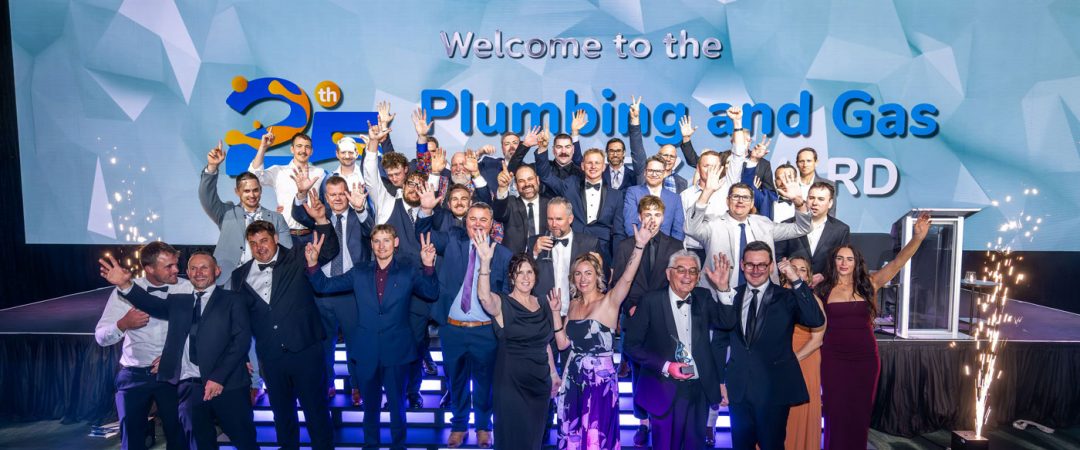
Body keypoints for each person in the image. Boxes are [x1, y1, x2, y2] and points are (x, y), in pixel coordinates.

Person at [101, 251, 257, 450]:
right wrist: (125, 285)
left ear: (217, 271)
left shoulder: (234, 299)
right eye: (193, 268)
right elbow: (151, 303)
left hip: (229, 384)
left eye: (204, 268)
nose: (198, 272)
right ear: (188, 273)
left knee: (244, 441)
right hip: (191, 387)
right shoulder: (179, 301)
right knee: (199, 444)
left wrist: (218, 378)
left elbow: (240, 341)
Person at [306, 225, 440, 450]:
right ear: (371, 244)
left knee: (397, 408)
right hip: (366, 352)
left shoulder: (407, 271)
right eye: (377, 241)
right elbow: (324, 286)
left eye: (386, 240)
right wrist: (312, 264)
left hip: (397, 352)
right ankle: (370, 446)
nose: (381, 245)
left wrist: (428, 265)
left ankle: (399, 447)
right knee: (370, 409)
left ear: (395, 243)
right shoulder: (359, 271)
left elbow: (431, 292)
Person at [816, 213, 931, 450]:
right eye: (840, 258)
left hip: (865, 359)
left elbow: (898, 262)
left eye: (849, 259)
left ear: (856, 263)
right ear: (833, 261)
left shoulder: (870, 283)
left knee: (859, 414)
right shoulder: (823, 288)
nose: (844, 263)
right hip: (834, 358)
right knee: (835, 412)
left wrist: (918, 238)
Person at [229, 210, 339, 450]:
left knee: (317, 412)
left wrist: (321, 221)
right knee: (282, 416)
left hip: (306, 352)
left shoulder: (298, 256)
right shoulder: (239, 276)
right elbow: (239, 321)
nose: (259, 247)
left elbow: (329, 250)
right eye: (253, 243)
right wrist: (240, 356)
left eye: (264, 240)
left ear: (276, 239)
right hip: (271, 358)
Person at [704, 242, 826, 450]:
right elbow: (719, 341)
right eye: (750, 264)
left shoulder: (787, 297)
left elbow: (815, 320)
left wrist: (796, 280)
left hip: (774, 390)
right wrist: (720, 382)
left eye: (762, 265)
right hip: (739, 390)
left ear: (771, 267)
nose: (756, 270)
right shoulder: (731, 296)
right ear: (742, 265)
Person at [415, 188, 513, 448]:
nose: (477, 224)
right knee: (455, 381)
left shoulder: (503, 255)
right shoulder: (452, 241)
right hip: (453, 330)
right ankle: (458, 425)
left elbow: (506, 295)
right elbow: (423, 235)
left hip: (485, 331)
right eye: (473, 219)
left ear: (491, 224)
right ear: (465, 222)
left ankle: (483, 427)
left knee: (485, 383)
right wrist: (425, 210)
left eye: (483, 220)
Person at [199, 142, 289, 403]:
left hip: (265, 285)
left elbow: (286, 251)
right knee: (239, 334)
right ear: (237, 191)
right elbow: (206, 196)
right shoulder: (227, 213)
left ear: (261, 190)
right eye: (246, 190)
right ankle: (253, 383)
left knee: (266, 333)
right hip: (231, 284)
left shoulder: (275, 218)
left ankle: (274, 380)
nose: (252, 194)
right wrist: (212, 167)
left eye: (256, 189)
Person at [551, 223, 651, 450]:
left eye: (588, 273)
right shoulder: (573, 304)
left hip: (599, 383)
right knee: (571, 434)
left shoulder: (609, 301)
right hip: (572, 377)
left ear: (597, 276)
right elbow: (563, 344)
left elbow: (627, 278)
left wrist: (639, 246)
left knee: (597, 437)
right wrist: (556, 313)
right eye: (578, 274)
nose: (583, 278)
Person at [623, 250, 729, 450]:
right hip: (663, 387)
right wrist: (666, 366)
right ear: (668, 273)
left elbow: (727, 322)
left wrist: (723, 289)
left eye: (693, 271)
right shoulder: (650, 301)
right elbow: (631, 345)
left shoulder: (704, 297)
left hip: (699, 390)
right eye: (681, 270)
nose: (687, 276)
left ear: (698, 277)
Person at [94, 241, 189, 450]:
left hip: (174, 375)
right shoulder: (121, 291)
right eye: (169, 266)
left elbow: (197, 334)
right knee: (132, 438)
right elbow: (100, 337)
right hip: (134, 375)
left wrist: (173, 358)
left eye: (176, 264)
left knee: (179, 436)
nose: (176, 269)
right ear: (149, 268)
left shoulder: (186, 288)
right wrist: (122, 324)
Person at [292, 174, 374, 406]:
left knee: (356, 343)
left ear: (348, 194)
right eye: (332, 195)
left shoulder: (360, 214)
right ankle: (327, 383)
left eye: (341, 194)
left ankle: (357, 386)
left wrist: (361, 209)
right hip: (321, 290)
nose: (337, 199)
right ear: (326, 197)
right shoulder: (319, 215)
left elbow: (372, 229)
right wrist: (301, 194)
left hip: (351, 292)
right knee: (323, 343)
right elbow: (298, 214)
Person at [610, 196, 685, 444]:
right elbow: (619, 281)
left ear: (663, 218)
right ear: (640, 216)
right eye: (648, 214)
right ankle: (642, 422)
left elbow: (679, 282)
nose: (652, 219)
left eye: (657, 214)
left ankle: (661, 420)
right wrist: (630, 306)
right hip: (635, 317)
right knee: (639, 372)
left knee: (664, 370)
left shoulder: (676, 245)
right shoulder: (625, 246)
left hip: (665, 318)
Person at [473, 246, 558, 450]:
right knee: (511, 440)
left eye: (529, 272)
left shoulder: (543, 303)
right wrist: (484, 263)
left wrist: (553, 373)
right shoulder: (502, 303)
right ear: (512, 277)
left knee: (533, 441)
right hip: (511, 384)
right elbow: (484, 297)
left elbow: (545, 342)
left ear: (535, 276)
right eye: (520, 273)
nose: (525, 277)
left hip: (540, 384)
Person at [685, 164, 810, 289]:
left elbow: (802, 228)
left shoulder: (764, 224)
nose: (740, 201)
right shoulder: (713, 224)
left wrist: (798, 201)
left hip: (761, 294)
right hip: (718, 292)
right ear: (727, 201)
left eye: (745, 197)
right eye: (735, 197)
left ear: (751, 203)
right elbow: (690, 228)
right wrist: (707, 192)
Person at [535, 145, 626, 266]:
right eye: (589, 163)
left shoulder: (616, 196)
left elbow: (619, 233)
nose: (593, 166)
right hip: (573, 248)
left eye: (597, 163)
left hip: (603, 252)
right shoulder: (570, 185)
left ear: (604, 167)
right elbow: (546, 176)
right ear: (582, 166)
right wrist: (542, 149)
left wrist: (615, 264)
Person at [247, 128, 327, 246]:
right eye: (299, 146)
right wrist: (263, 147)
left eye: (307, 147)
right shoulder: (279, 171)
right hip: (285, 235)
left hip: (312, 235)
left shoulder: (320, 173)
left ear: (311, 151)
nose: (303, 150)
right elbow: (254, 176)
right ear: (292, 149)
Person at [528, 198, 601, 321]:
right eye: (550, 219)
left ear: (570, 219)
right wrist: (534, 253)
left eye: (559, 219)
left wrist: (600, 264)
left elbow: (604, 279)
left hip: (578, 314)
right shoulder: (534, 242)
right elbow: (523, 278)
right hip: (543, 315)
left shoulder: (589, 243)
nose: (553, 224)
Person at [781, 256, 825, 450]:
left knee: (798, 411)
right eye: (793, 268)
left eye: (802, 269)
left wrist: (791, 361)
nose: (797, 272)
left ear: (808, 277)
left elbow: (817, 339)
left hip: (805, 360)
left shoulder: (814, 301)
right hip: (777, 361)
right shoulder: (775, 297)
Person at [776, 182, 851, 279]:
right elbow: (778, 257)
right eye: (811, 198)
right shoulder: (788, 225)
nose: (815, 203)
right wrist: (792, 275)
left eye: (821, 199)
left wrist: (824, 277)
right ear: (806, 199)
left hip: (825, 285)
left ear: (830, 203)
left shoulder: (841, 229)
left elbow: (841, 261)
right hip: (792, 284)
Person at [628, 96, 688, 193]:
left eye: (672, 156)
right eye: (665, 155)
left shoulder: (682, 183)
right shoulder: (645, 173)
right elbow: (637, 149)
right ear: (658, 156)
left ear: (676, 159)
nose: (668, 159)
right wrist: (635, 120)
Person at [622, 155, 685, 239]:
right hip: (638, 243)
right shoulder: (633, 192)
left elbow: (678, 230)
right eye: (650, 170)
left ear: (664, 173)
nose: (654, 174)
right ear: (645, 172)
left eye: (658, 171)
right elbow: (630, 223)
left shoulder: (675, 198)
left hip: (666, 245)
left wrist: (672, 246)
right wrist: (639, 243)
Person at [494, 164, 550, 255]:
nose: (527, 184)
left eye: (530, 179)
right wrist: (502, 187)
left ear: (537, 180)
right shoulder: (510, 204)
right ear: (516, 185)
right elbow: (498, 214)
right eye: (521, 181)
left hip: (544, 260)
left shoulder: (550, 205)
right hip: (515, 261)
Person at [794, 147, 836, 216]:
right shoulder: (790, 184)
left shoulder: (829, 184)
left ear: (816, 162)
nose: (805, 165)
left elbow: (831, 214)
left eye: (809, 161)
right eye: (801, 161)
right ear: (797, 164)